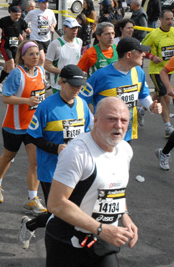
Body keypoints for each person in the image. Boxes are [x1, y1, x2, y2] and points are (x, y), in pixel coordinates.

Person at [45, 97, 138, 267]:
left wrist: (125, 216)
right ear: (95, 119)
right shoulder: (78, 152)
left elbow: (114, 189)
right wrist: (101, 228)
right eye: (112, 119)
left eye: (124, 120)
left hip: (101, 242)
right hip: (67, 241)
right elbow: (56, 203)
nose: (118, 125)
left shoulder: (125, 150)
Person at [18, 65, 92, 250]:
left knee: (73, 209)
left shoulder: (83, 105)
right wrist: (56, 148)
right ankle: (31, 226)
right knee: (58, 212)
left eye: (80, 86)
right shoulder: (46, 106)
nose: (77, 90)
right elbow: (32, 136)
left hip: (77, 168)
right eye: (73, 85)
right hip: (51, 169)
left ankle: (33, 225)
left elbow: (89, 133)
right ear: (60, 82)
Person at [0, 40, 46, 214]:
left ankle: (32, 198)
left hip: (33, 127)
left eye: (37, 53)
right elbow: (6, 98)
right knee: (8, 156)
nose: (35, 57)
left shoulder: (41, 71)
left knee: (35, 162)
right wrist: (26, 101)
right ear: (22, 56)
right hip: (13, 126)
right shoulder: (17, 73)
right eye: (31, 54)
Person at [79, 37, 161, 142]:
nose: (144, 55)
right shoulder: (101, 76)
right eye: (140, 52)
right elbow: (80, 101)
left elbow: (143, 95)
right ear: (129, 55)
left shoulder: (138, 72)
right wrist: (92, 122)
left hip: (127, 133)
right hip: (105, 135)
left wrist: (151, 106)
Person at [141, 9, 174, 137]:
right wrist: (152, 57)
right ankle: (168, 127)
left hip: (169, 69)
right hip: (156, 70)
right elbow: (142, 50)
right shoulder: (153, 35)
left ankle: (142, 110)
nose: (170, 22)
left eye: (172, 19)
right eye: (167, 19)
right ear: (161, 20)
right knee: (165, 96)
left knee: (158, 95)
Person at [0, 5, 30, 93]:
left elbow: (27, 30)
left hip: (15, 46)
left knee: (7, 67)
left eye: (19, 15)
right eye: (15, 15)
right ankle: (11, 88)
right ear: (10, 13)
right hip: (5, 45)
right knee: (12, 65)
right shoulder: (4, 20)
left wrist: (25, 34)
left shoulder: (21, 21)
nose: (17, 17)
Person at [44, 18, 83, 93]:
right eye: (72, 28)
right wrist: (64, 72)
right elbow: (47, 65)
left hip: (74, 83)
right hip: (59, 86)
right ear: (65, 28)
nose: (75, 30)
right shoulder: (56, 44)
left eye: (76, 28)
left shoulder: (79, 42)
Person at [24, 0, 57, 66]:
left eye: (47, 2)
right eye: (43, 3)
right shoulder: (33, 13)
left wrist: (52, 26)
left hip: (47, 38)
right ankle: (38, 73)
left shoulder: (50, 12)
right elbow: (24, 22)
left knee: (44, 60)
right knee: (42, 58)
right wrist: (26, 29)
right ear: (38, 4)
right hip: (36, 39)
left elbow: (54, 22)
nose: (46, 4)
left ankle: (40, 74)